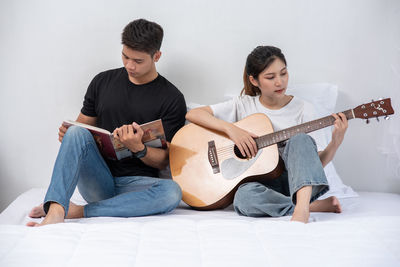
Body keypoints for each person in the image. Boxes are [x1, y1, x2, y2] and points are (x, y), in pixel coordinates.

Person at [27, 19, 187, 226]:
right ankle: (56, 210)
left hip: (135, 185)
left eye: (138, 61)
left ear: (156, 56)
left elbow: (165, 160)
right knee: (76, 134)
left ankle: (80, 211)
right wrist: (68, 136)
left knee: (172, 192)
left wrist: (138, 148)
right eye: (125, 56)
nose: (129, 65)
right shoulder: (102, 82)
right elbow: (81, 128)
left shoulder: (171, 98)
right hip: (97, 179)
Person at [186, 46, 347, 223]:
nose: (280, 82)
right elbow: (193, 114)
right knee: (244, 199)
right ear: (254, 81)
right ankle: (313, 205)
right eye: (270, 77)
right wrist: (232, 130)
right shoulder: (243, 105)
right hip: (262, 184)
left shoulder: (304, 109)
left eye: (283, 73)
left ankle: (302, 210)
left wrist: (335, 142)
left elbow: (315, 164)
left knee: (300, 139)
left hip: (297, 183)